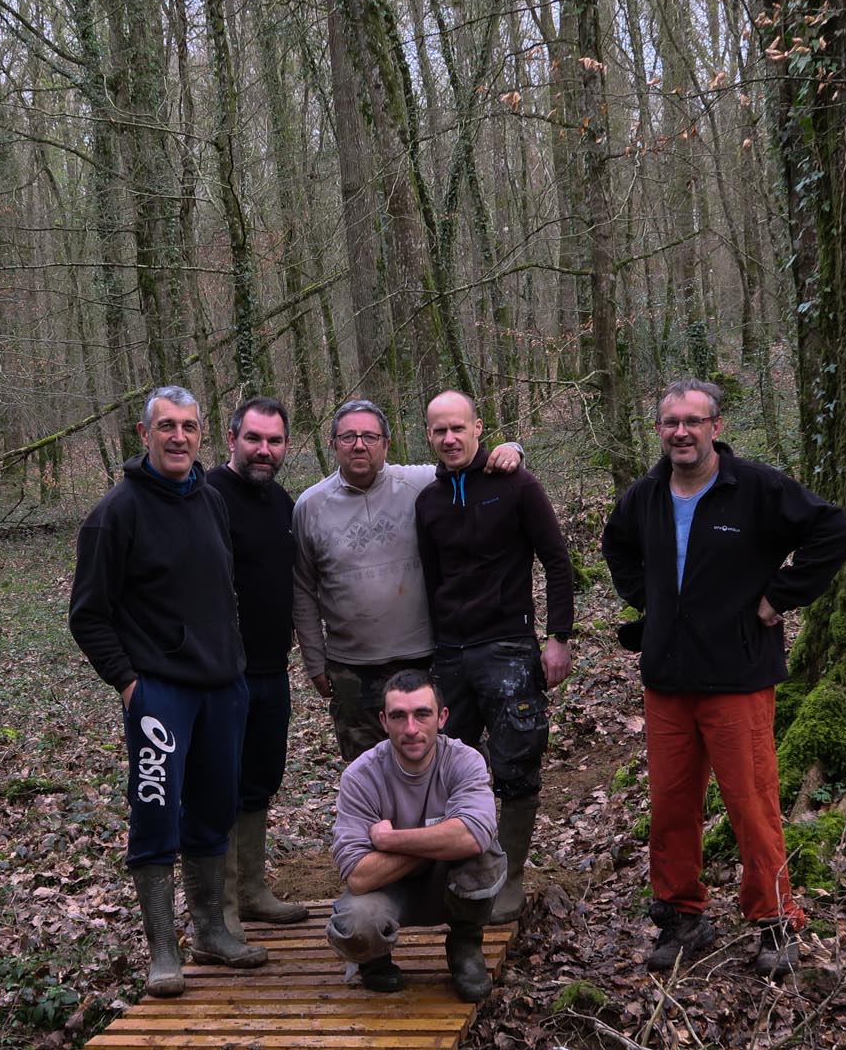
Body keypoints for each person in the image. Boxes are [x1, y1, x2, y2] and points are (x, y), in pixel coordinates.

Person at [599, 379, 846, 979]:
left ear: (716, 426)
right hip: (667, 677)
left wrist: (780, 597)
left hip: (738, 675)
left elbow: (834, 531)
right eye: (670, 422)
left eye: (693, 421)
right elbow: (616, 548)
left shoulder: (757, 489)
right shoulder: (645, 497)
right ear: (659, 430)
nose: (681, 432)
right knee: (671, 806)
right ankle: (681, 918)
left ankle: (774, 922)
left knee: (752, 804)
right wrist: (650, 602)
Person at [68, 385, 270, 997]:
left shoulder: (210, 501)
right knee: (157, 813)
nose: (178, 437)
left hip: (222, 689)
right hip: (161, 695)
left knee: (215, 805)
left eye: (188, 426)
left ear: (202, 433)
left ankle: (212, 928)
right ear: (144, 433)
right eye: (166, 427)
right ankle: (163, 949)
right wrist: (130, 684)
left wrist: (232, 664)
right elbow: (88, 615)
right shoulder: (116, 513)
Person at [413, 390, 574, 924]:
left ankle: (512, 875)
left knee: (516, 762)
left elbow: (556, 560)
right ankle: (464, 871)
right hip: (450, 654)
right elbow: (432, 578)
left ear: (478, 428)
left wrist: (559, 636)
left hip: (508, 646)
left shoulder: (516, 485)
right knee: (450, 767)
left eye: (458, 428)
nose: (450, 439)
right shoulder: (428, 501)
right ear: (429, 435)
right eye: (439, 431)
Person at [291, 400, 521, 762]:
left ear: (387, 442)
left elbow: (468, 464)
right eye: (348, 436)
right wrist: (314, 660)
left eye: (370, 436)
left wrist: (511, 450)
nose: (359, 444)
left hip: (424, 658)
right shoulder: (310, 507)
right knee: (368, 774)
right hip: (351, 668)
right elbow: (303, 588)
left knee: (435, 767)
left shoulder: (420, 483)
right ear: (332, 443)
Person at [202, 396, 311, 934]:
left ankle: (251, 891)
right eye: (254, 439)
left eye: (274, 441)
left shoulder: (282, 502)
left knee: (259, 783)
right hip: (220, 675)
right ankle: (220, 912)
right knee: (220, 785)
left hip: (272, 669)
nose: (264, 450)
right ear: (230, 438)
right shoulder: (207, 497)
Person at [327, 669, 502, 1002]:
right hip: (387, 890)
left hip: (450, 882)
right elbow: (360, 877)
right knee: (354, 925)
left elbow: (474, 838)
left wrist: (388, 841)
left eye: (422, 714)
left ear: (442, 717)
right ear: (383, 720)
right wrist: (440, 839)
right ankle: (374, 961)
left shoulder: (465, 761)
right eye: (398, 716)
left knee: (484, 858)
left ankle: (465, 944)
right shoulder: (360, 776)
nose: (411, 729)